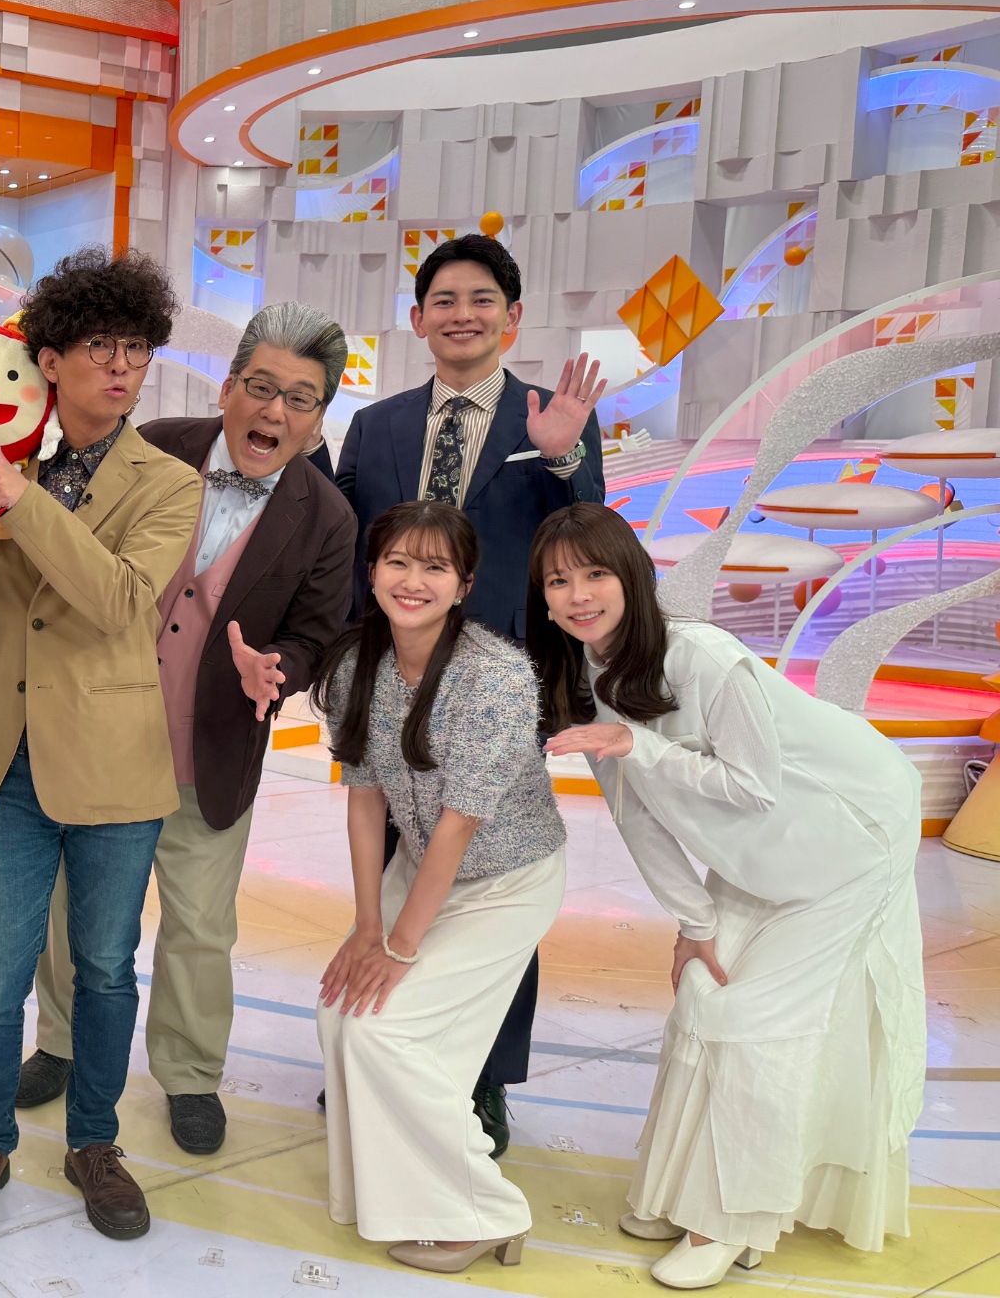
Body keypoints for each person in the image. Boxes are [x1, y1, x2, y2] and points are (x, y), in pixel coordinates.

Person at [531, 503, 925, 1290]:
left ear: (632, 576)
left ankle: (728, 1222)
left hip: (850, 838)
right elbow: (639, 818)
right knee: (704, 993)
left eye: (595, 574)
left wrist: (638, 744)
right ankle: (680, 1193)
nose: (578, 595)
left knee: (754, 1023)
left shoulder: (703, 657)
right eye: (558, 581)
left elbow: (753, 787)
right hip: (758, 854)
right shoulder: (588, 680)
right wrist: (694, 922)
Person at [18, 302, 357, 1156]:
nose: (275, 412)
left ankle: (191, 1074)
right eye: (261, 387)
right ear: (228, 386)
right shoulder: (156, 445)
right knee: (73, 908)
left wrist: (275, 667)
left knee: (201, 927)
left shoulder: (327, 516)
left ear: (320, 417)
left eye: (301, 399)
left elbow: (317, 634)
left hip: (211, 751)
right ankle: (58, 1043)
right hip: (99, 732)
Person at [0, 248, 201, 1245]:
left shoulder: (169, 482)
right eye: (98, 347)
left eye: (135, 349)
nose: (120, 367)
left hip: (115, 763)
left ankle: (95, 1142)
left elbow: (121, 602)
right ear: (48, 360)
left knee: (106, 969)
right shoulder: (7, 455)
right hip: (6, 759)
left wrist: (21, 501)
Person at [327, 232, 607, 1154]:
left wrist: (560, 459)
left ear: (512, 317)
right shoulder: (376, 426)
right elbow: (346, 547)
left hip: (499, 687)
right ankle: (388, 1036)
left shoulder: (552, 418)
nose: (462, 315)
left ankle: (485, 1076)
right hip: (392, 674)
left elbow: (587, 537)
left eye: (482, 299)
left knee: (485, 868)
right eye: (444, 300)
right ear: (418, 319)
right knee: (397, 848)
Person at [314, 500, 566, 1275]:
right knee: (339, 1012)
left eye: (435, 567)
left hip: (506, 880)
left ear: (464, 586)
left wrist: (397, 947)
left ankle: (487, 1212)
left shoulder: (497, 676)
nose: (413, 581)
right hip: (419, 865)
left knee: (384, 1030)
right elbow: (365, 799)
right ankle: (387, 1195)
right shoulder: (357, 665)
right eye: (398, 562)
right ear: (372, 572)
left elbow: (459, 827)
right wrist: (366, 927)